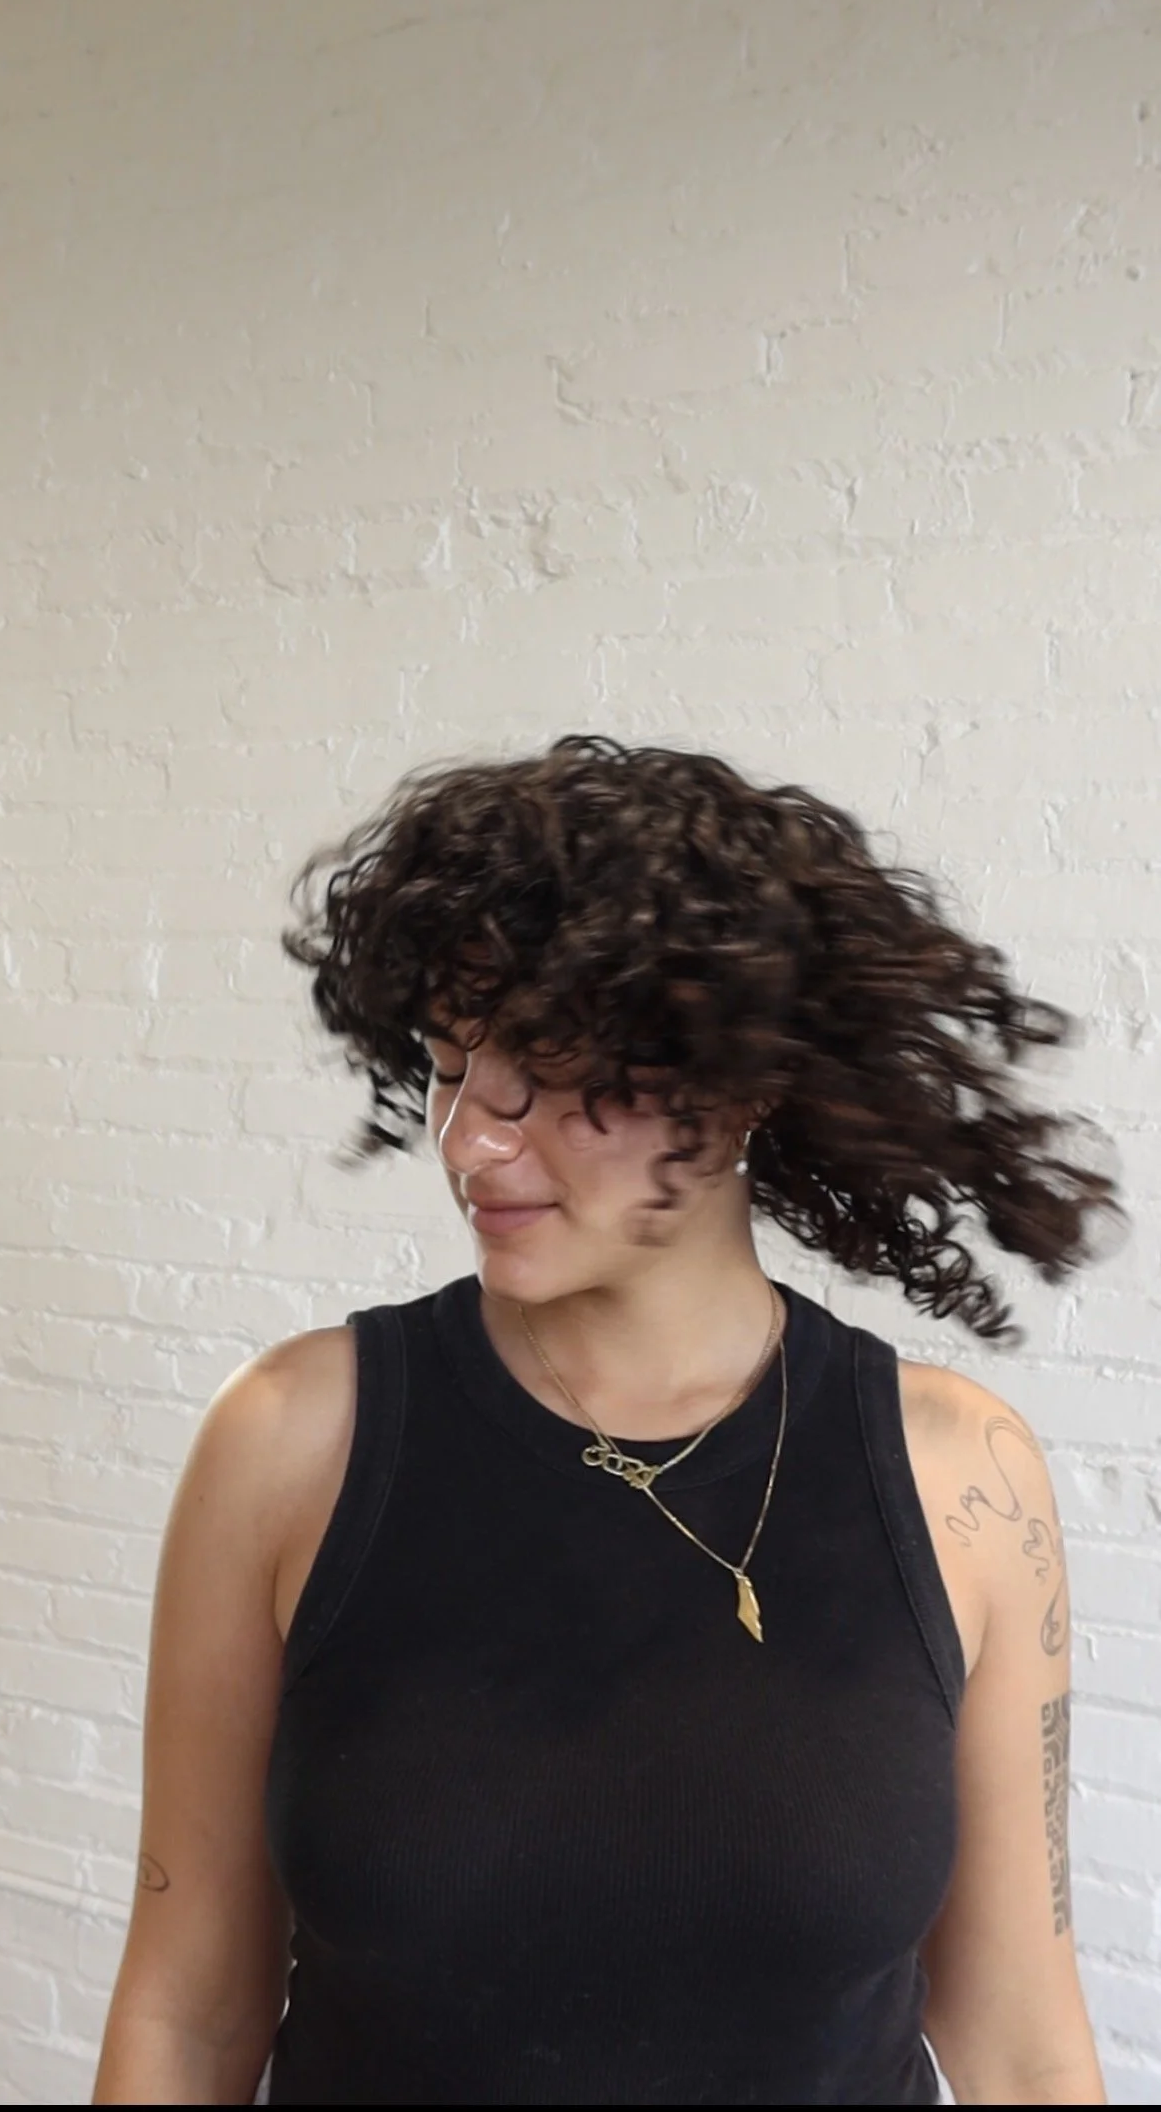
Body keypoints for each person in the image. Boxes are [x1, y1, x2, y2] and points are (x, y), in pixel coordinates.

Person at [93, 734, 1120, 2107]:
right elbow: (186, 2016)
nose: (468, 1140)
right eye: (449, 1066)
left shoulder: (959, 1480)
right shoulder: (293, 1443)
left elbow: (1020, 2046)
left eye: (551, 1071)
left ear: (740, 1084)